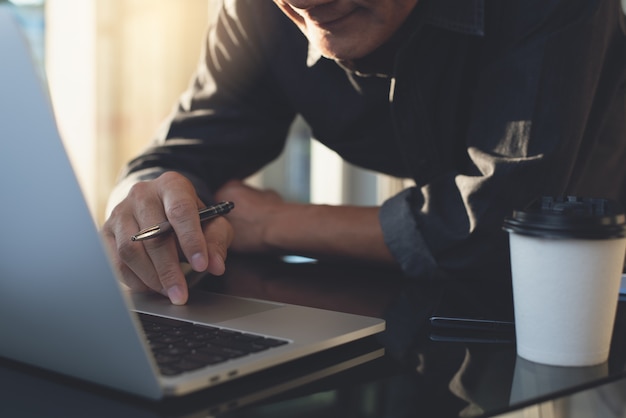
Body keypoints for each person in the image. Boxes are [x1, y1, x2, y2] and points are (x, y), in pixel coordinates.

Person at [102, 0, 626, 305]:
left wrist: (270, 223)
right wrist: (146, 204)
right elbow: (181, 154)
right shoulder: (258, 9)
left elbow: (503, 227)